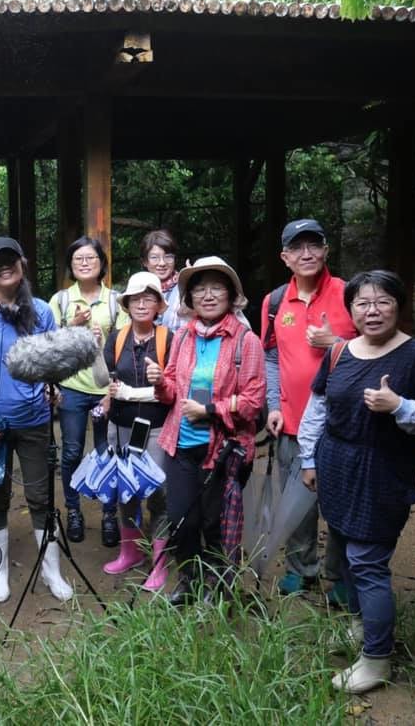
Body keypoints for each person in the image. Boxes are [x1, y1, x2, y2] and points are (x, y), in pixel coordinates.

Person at [298, 271, 415, 694]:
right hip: (337, 465)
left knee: (368, 563)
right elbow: (318, 408)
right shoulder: (340, 352)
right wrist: (309, 458)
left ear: (398, 305)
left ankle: (376, 658)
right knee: (347, 552)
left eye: (382, 301)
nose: (372, 310)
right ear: (350, 310)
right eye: (362, 303)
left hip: (384, 472)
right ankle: (358, 626)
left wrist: (401, 406)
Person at [0, 237, 73, 603]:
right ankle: (0, 575)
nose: (4, 268)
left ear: (22, 264)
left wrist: (55, 389)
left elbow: (52, 363)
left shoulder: (41, 310)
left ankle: (51, 572)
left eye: (11, 261)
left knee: (40, 497)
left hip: (35, 421)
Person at [146, 256, 266, 606]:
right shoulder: (183, 336)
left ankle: (218, 587)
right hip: (181, 442)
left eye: (216, 288)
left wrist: (212, 409)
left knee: (215, 524)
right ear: (190, 298)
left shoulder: (246, 340)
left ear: (231, 295)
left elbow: (254, 400)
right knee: (182, 518)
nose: (208, 295)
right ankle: (188, 581)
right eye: (199, 289)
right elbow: (172, 389)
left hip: (224, 449)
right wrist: (159, 383)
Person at [261, 219, 357, 601]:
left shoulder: (350, 294)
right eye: (297, 248)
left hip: (342, 425)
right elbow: (271, 358)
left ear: (326, 249)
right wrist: (272, 405)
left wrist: (336, 343)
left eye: (313, 245)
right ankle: (302, 571)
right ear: (285, 256)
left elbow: (378, 353)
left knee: (340, 506)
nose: (307, 254)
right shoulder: (274, 301)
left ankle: (340, 577)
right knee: (296, 506)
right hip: (290, 422)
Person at [49, 236, 129, 546]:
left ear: (101, 264)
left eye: (91, 258)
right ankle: (73, 511)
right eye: (78, 259)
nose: (84, 263)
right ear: (70, 265)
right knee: (70, 452)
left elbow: (122, 346)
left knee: (106, 453)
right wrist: (72, 327)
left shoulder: (115, 300)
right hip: (70, 388)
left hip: (104, 388)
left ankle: (109, 515)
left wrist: (102, 340)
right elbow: (50, 346)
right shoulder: (61, 300)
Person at [98, 272, 172, 590]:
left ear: (158, 304)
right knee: (124, 491)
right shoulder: (117, 338)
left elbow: (175, 387)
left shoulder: (169, 339)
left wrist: (158, 380)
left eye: (149, 297)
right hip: (120, 427)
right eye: (135, 298)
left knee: (158, 494)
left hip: (156, 429)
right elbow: (103, 380)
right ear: (126, 304)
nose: (142, 303)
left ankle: (159, 563)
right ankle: (130, 552)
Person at [139, 229, 186, 331]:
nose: (162, 263)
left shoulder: (185, 289)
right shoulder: (136, 291)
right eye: (154, 257)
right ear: (145, 262)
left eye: (168, 257)